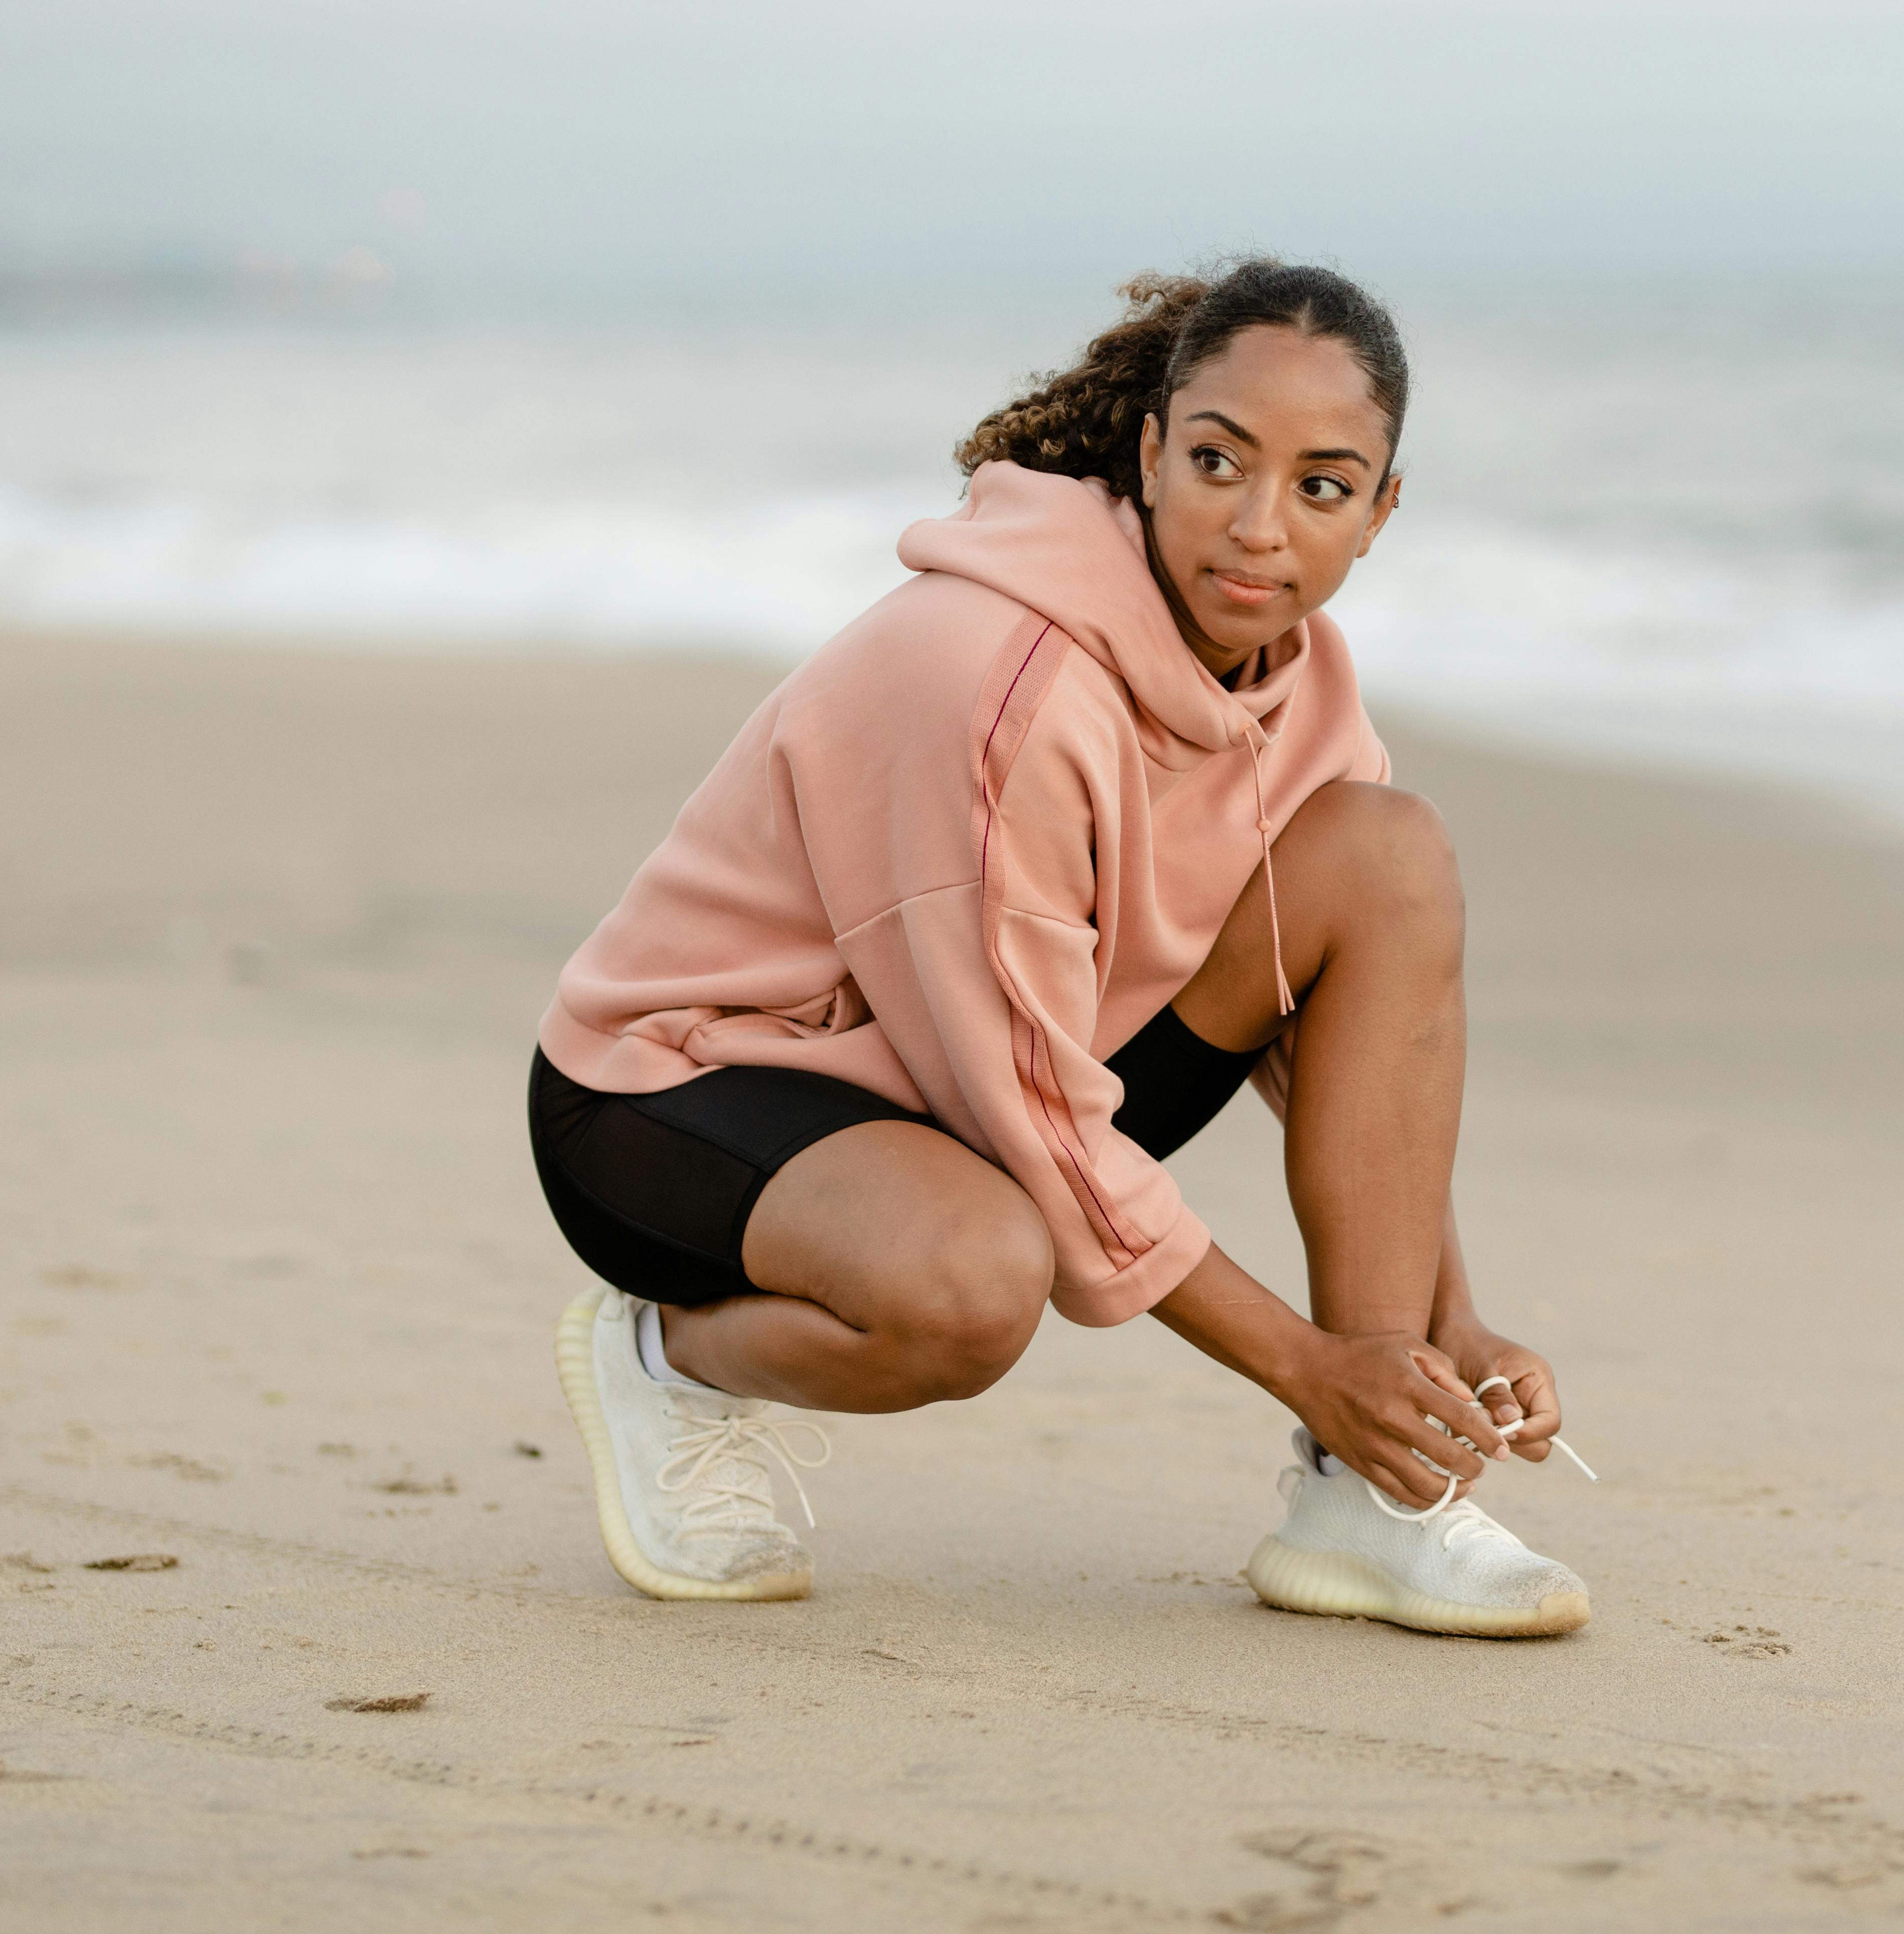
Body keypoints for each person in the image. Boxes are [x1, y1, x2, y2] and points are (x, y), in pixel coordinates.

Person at [525, 259, 1591, 1638]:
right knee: (971, 1285)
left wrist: (1447, 1326)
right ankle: (664, 1358)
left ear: (1380, 515)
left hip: (969, 1081)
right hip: (680, 1089)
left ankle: (1370, 1495)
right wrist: (1302, 1364)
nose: (1260, 528)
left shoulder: (1299, 682)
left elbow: (1328, 1042)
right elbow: (1029, 1109)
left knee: (1388, 850)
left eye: (1322, 487)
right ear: (1149, 451)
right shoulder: (994, 676)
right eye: (1218, 461)